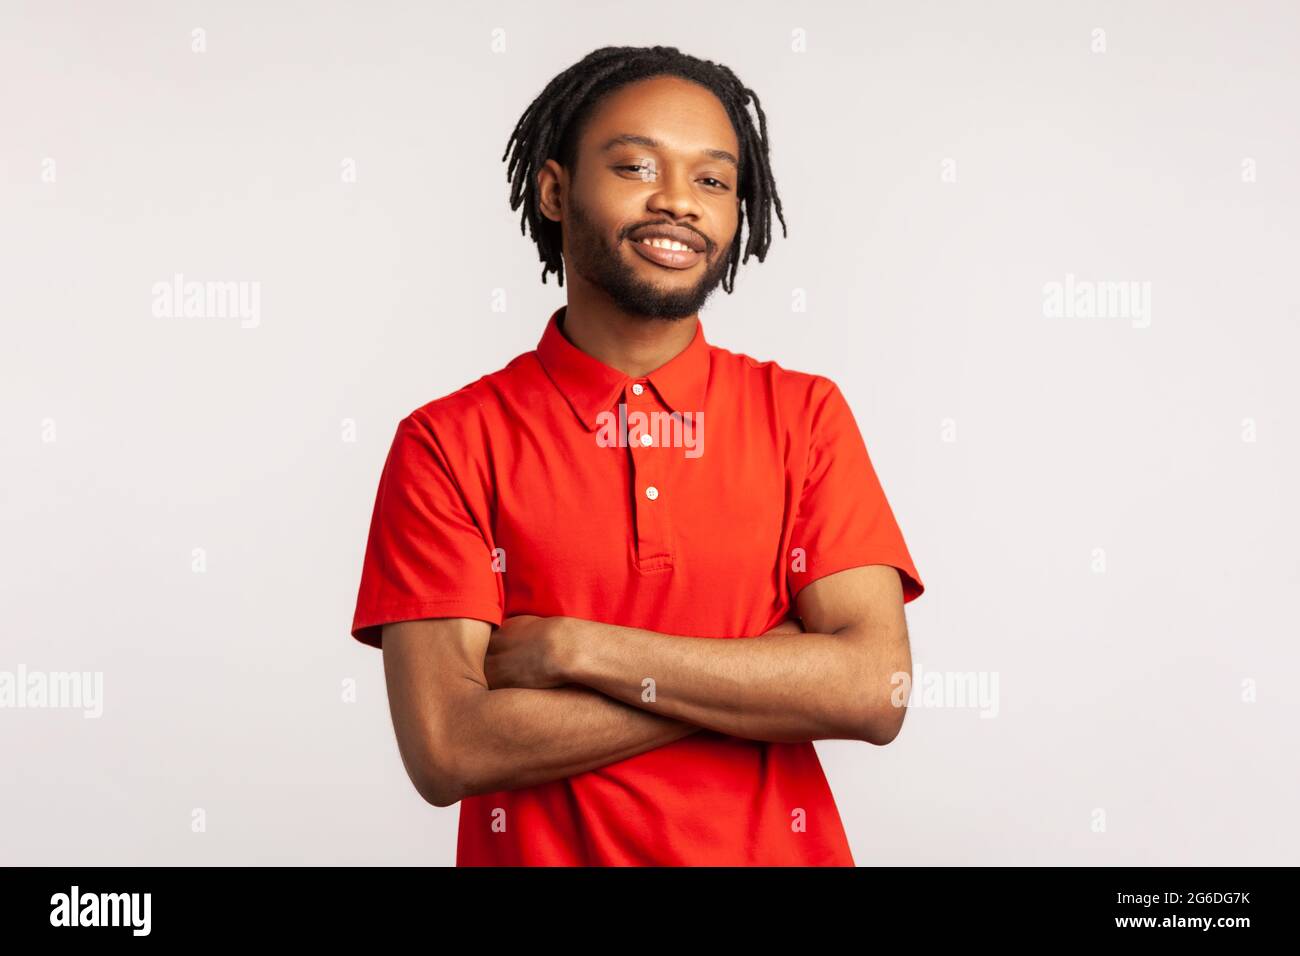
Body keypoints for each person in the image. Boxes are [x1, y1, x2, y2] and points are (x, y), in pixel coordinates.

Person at [350, 44, 925, 866]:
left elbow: (875, 691)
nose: (677, 203)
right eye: (634, 167)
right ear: (554, 190)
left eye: (713, 181)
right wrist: (773, 676)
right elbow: (448, 748)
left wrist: (576, 652)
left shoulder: (804, 416)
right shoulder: (447, 442)